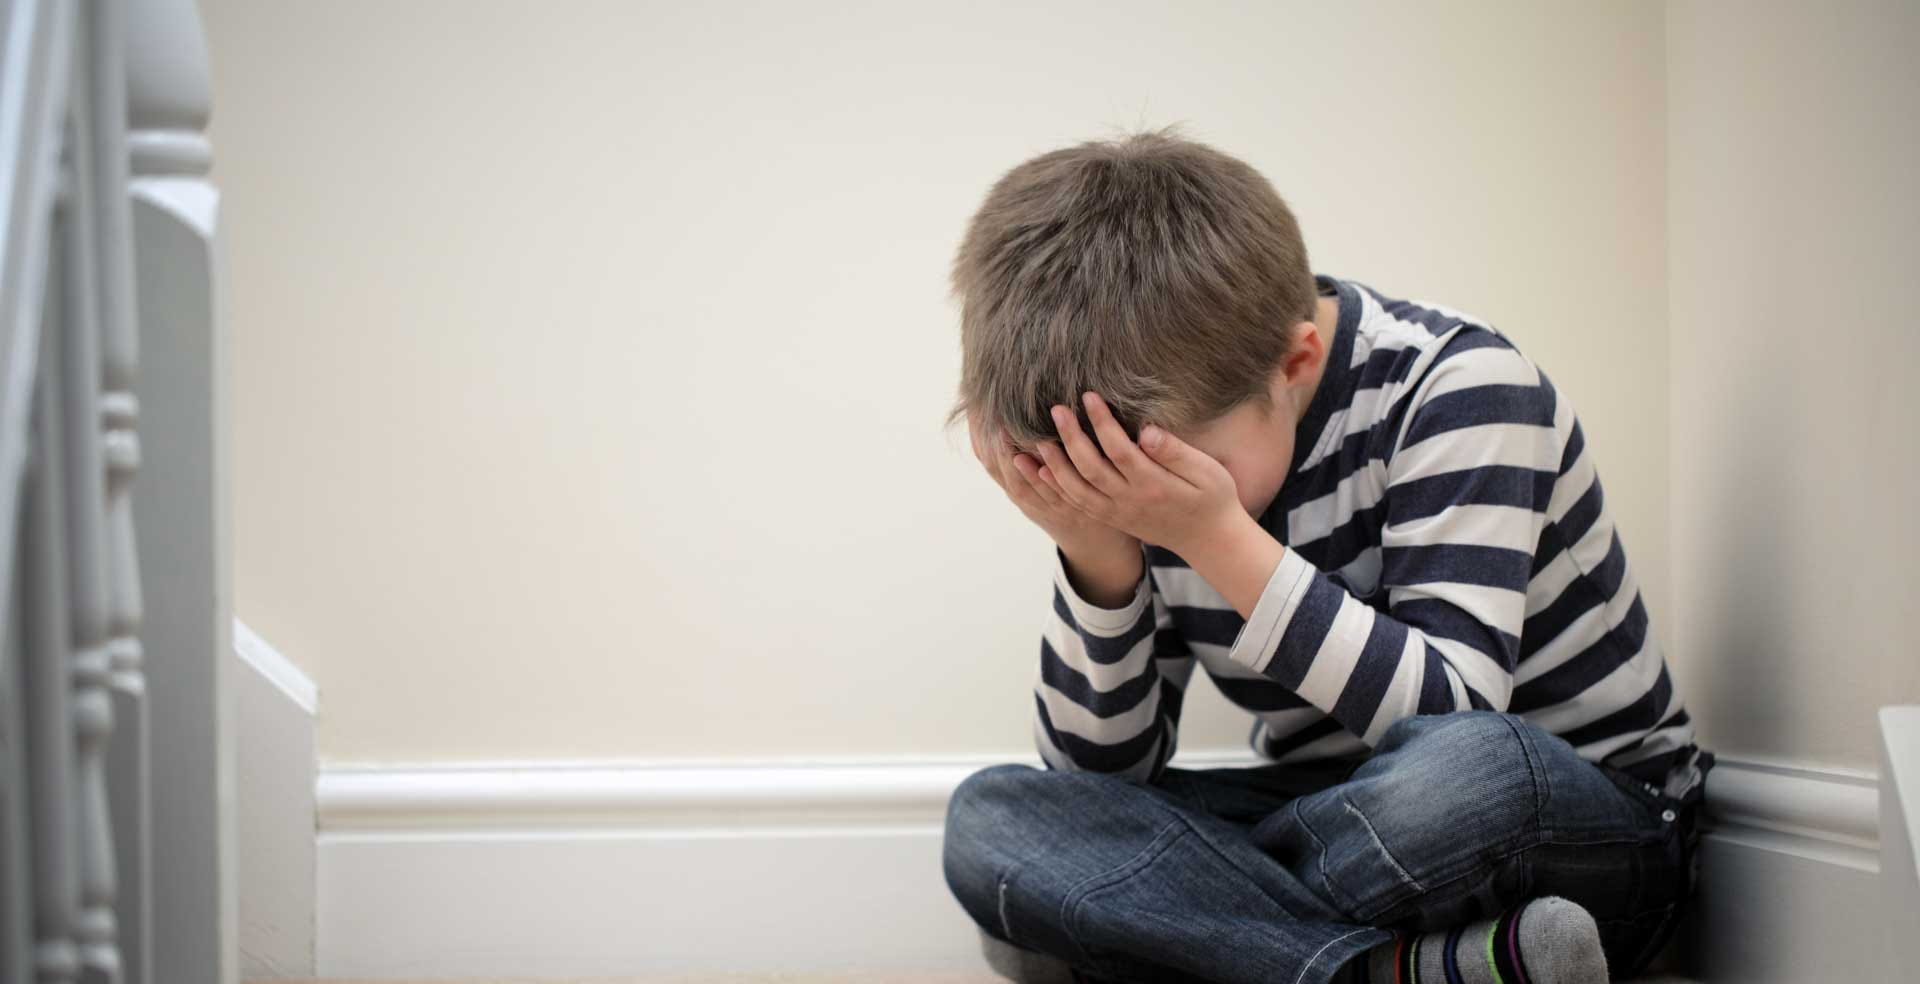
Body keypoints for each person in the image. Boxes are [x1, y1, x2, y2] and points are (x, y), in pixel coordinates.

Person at [939, 124, 1714, 984]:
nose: (1135, 502)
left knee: (1477, 776)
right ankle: (1390, 970)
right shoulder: (1138, 488)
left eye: (1163, 476)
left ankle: (1168, 936)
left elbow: (1454, 714)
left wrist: (1212, 534)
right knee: (996, 820)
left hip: (1572, 817)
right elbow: (1101, 780)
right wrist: (1097, 558)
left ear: (1296, 360)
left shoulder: (1459, 386)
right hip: (1341, 820)